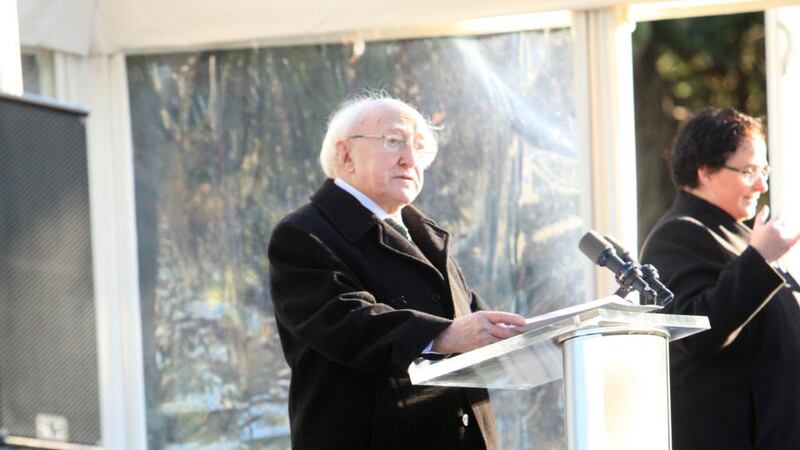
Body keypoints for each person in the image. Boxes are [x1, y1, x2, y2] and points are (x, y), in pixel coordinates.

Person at [268, 95, 526, 450]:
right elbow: (346, 323)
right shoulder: (304, 235)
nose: (410, 158)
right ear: (345, 155)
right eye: (393, 141)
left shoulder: (426, 234)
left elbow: (470, 322)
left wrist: (520, 337)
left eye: (419, 147)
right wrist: (445, 335)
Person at [640, 107, 800, 450]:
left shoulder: (735, 233)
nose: (762, 184)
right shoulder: (678, 235)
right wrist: (760, 259)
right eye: (749, 171)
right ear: (706, 171)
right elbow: (697, 330)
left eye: (764, 170)